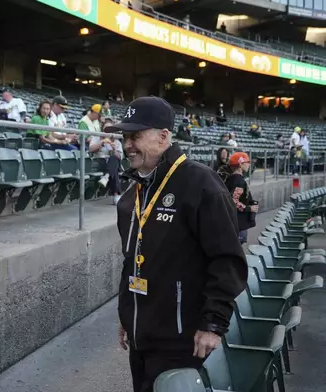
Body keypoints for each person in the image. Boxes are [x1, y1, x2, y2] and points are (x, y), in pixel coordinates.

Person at [110, 96, 247, 392]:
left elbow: (227, 260)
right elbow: (131, 260)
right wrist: (127, 314)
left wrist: (213, 323)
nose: (127, 145)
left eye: (135, 136)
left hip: (183, 340)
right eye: (124, 137)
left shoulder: (201, 184)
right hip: (141, 338)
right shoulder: (131, 195)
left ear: (163, 136)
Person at [224, 152, 258, 244]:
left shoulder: (231, 178)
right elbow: (233, 202)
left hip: (234, 222)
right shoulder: (238, 181)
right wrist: (249, 208)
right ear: (240, 164)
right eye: (247, 162)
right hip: (238, 223)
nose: (249, 164)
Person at [93, 117, 124, 204]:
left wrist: (114, 150)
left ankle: (106, 176)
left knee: (114, 159)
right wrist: (102, 142)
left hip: (113, 164)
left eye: (110, 130)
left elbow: (119, 158)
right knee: (114, 170)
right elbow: (91, 149)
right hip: (100, 163)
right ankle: (116, 195)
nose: (107, 132)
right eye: (105, 129)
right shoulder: (96, 137)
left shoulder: (117, 141)